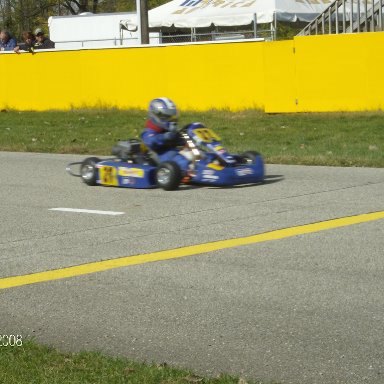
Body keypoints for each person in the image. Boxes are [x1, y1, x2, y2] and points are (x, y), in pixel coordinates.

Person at [141, 97, 190, 173]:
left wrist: (186, 140)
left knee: (194, 153)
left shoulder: (167, 130)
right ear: (157, 116)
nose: (172, 120)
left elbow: (178, 139)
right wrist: (165, 137)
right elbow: (151, 141)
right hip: (159, 155)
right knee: (179, 159)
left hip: (171, 152)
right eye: (168, 117)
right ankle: (190, 171)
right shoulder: (149, 131)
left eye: (173, 117)